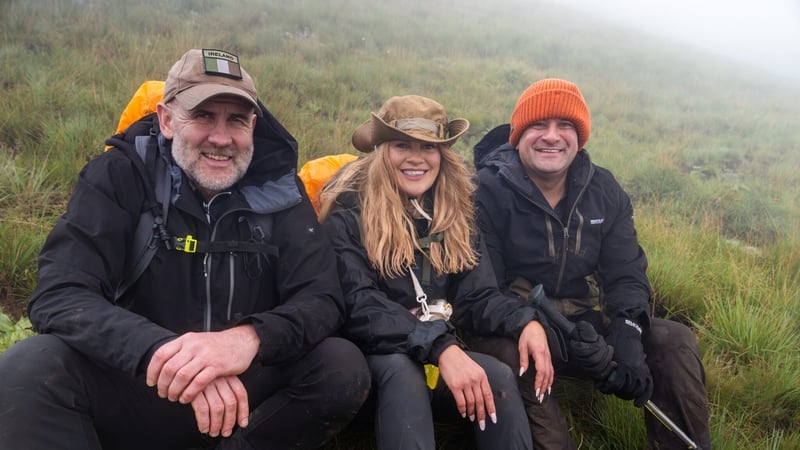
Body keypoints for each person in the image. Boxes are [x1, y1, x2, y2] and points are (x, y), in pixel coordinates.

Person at [0, 48, 370, 450]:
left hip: (241, 397)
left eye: (236, 120)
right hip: (140, 384)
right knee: (31, 365)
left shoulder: (282, 191)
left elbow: (321, 298)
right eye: (203, 115)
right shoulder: (119, 175)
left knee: (340, 365)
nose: (221, 138)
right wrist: (163, 355)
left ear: (254, 125)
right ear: (166, 120)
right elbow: (60, 293)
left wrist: (247, 341)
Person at [469, 78, 711, 449]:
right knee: (510, 359)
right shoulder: (486, 191)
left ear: (580, 137)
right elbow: (481, 292)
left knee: (673, 341)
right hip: (515, 327)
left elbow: (626, 274)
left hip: (583, 325)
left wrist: (627, 334)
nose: (552, 136)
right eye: (538, 125)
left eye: (565, 126)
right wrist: (528, 322)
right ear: (518, 135)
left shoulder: (604, 191)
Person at [317, 95, 554, 450]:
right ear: (382, 151)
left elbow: (478, 296)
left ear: (441, 156)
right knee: (403, 371)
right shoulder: (348, 211)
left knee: (498, 378)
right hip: (365, 363)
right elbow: (359, 305)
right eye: (402, 145)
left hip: (432, 349)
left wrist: (526, 321)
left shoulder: (455, 210)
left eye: (429, 147)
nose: (417, 158)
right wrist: (440, 347)